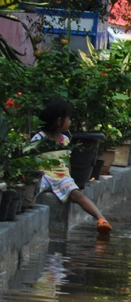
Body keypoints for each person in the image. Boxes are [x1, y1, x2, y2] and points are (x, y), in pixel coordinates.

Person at [31, 98, 112, 234]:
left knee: (77, 195)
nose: (70, 122)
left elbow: (67, 162)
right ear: (59, 121)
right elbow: (32, 160)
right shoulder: (39, 139)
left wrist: (69, 179)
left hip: (61, 177)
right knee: (33, 189)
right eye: (68, 118)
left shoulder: (65, 140)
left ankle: (101, 219)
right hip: (43, 175)